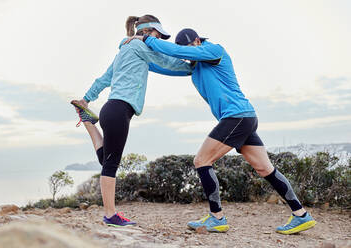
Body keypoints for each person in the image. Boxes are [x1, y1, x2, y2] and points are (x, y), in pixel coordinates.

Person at [125, 28, 316, 234]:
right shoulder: (196, 65)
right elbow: (164, 65)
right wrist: (137, 54)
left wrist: (144, 38)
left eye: (187, 47)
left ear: (197, 41)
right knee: (264, 168)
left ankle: (216, 217)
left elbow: (175, 52)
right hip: (243, 118)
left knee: (201, 161)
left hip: (237, 117)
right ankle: (301, 214)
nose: (186, 53)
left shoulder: (214, 51)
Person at [71, 15, 192, 227]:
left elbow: (103, 79)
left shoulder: (123, 51)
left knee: (106, 159)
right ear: (147, 32)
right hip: (119, 109)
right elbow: (166, 61)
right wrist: (194, 67)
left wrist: (86, 99)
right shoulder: (139, 45)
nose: (159, 40)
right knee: (110, 164)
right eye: (157, 35)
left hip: (113, 110)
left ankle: (88, 121)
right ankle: (110, 215)